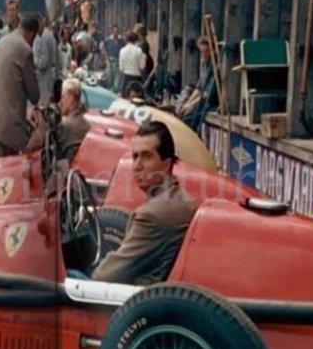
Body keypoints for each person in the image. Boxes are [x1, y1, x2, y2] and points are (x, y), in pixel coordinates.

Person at [92, 120, 196, 284]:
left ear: (166, 164)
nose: (137, 166)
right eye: (135, 157)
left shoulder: (152, 216)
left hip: (137, 294)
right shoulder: (178, 198)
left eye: (147, 156)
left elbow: (104, 277)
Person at [0, 12, 41, 158]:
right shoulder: (24, 50)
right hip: (6, 130)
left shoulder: (0, 44)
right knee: (7, 171)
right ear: (32, 34)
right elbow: (34, 95)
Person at [24, 76, 92, 161]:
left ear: (71, 99)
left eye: (62, 97)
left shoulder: (65, 126)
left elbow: (38, 143)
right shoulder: (86, 124)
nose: (60, 102)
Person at [176, 36, 219, 130]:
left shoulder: (215, 67)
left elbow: (207, 93)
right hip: (201, 96)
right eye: (202, 51)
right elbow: (199, 88)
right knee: (181, 106)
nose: (204, 54)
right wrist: (188, 102)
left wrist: (191, 104)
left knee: (188, 115)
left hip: (210, 101)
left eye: (207, 51)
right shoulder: (204, 64)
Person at [33, 12, 60, 106]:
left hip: (45, 78)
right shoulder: (49, 35)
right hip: (50, 75)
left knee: (44, 104)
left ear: (40, 23)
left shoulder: (44, 38)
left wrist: (33, 61)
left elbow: (43, 63)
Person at [117, 30, 147, 98]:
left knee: (125, 99)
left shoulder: (122, 51)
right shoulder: (139, 51)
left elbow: (121, 68)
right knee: (137, 99)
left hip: (126, 79)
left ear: (126, 39)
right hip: (137, 79)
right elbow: (142, 67)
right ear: (136, 39)